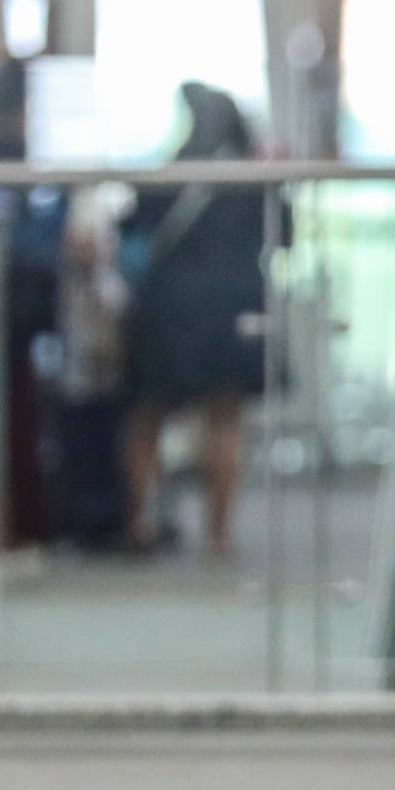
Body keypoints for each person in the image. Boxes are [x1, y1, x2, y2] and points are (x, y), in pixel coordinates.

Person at [120, 84, 274, 557]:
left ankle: (141, 519)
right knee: (225, 421)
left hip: (171, 309)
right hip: (236, 308)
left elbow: (133, 226)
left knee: (146, 417)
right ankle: (218, 533)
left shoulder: (173, 171)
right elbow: (282, 233)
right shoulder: (257, 174)